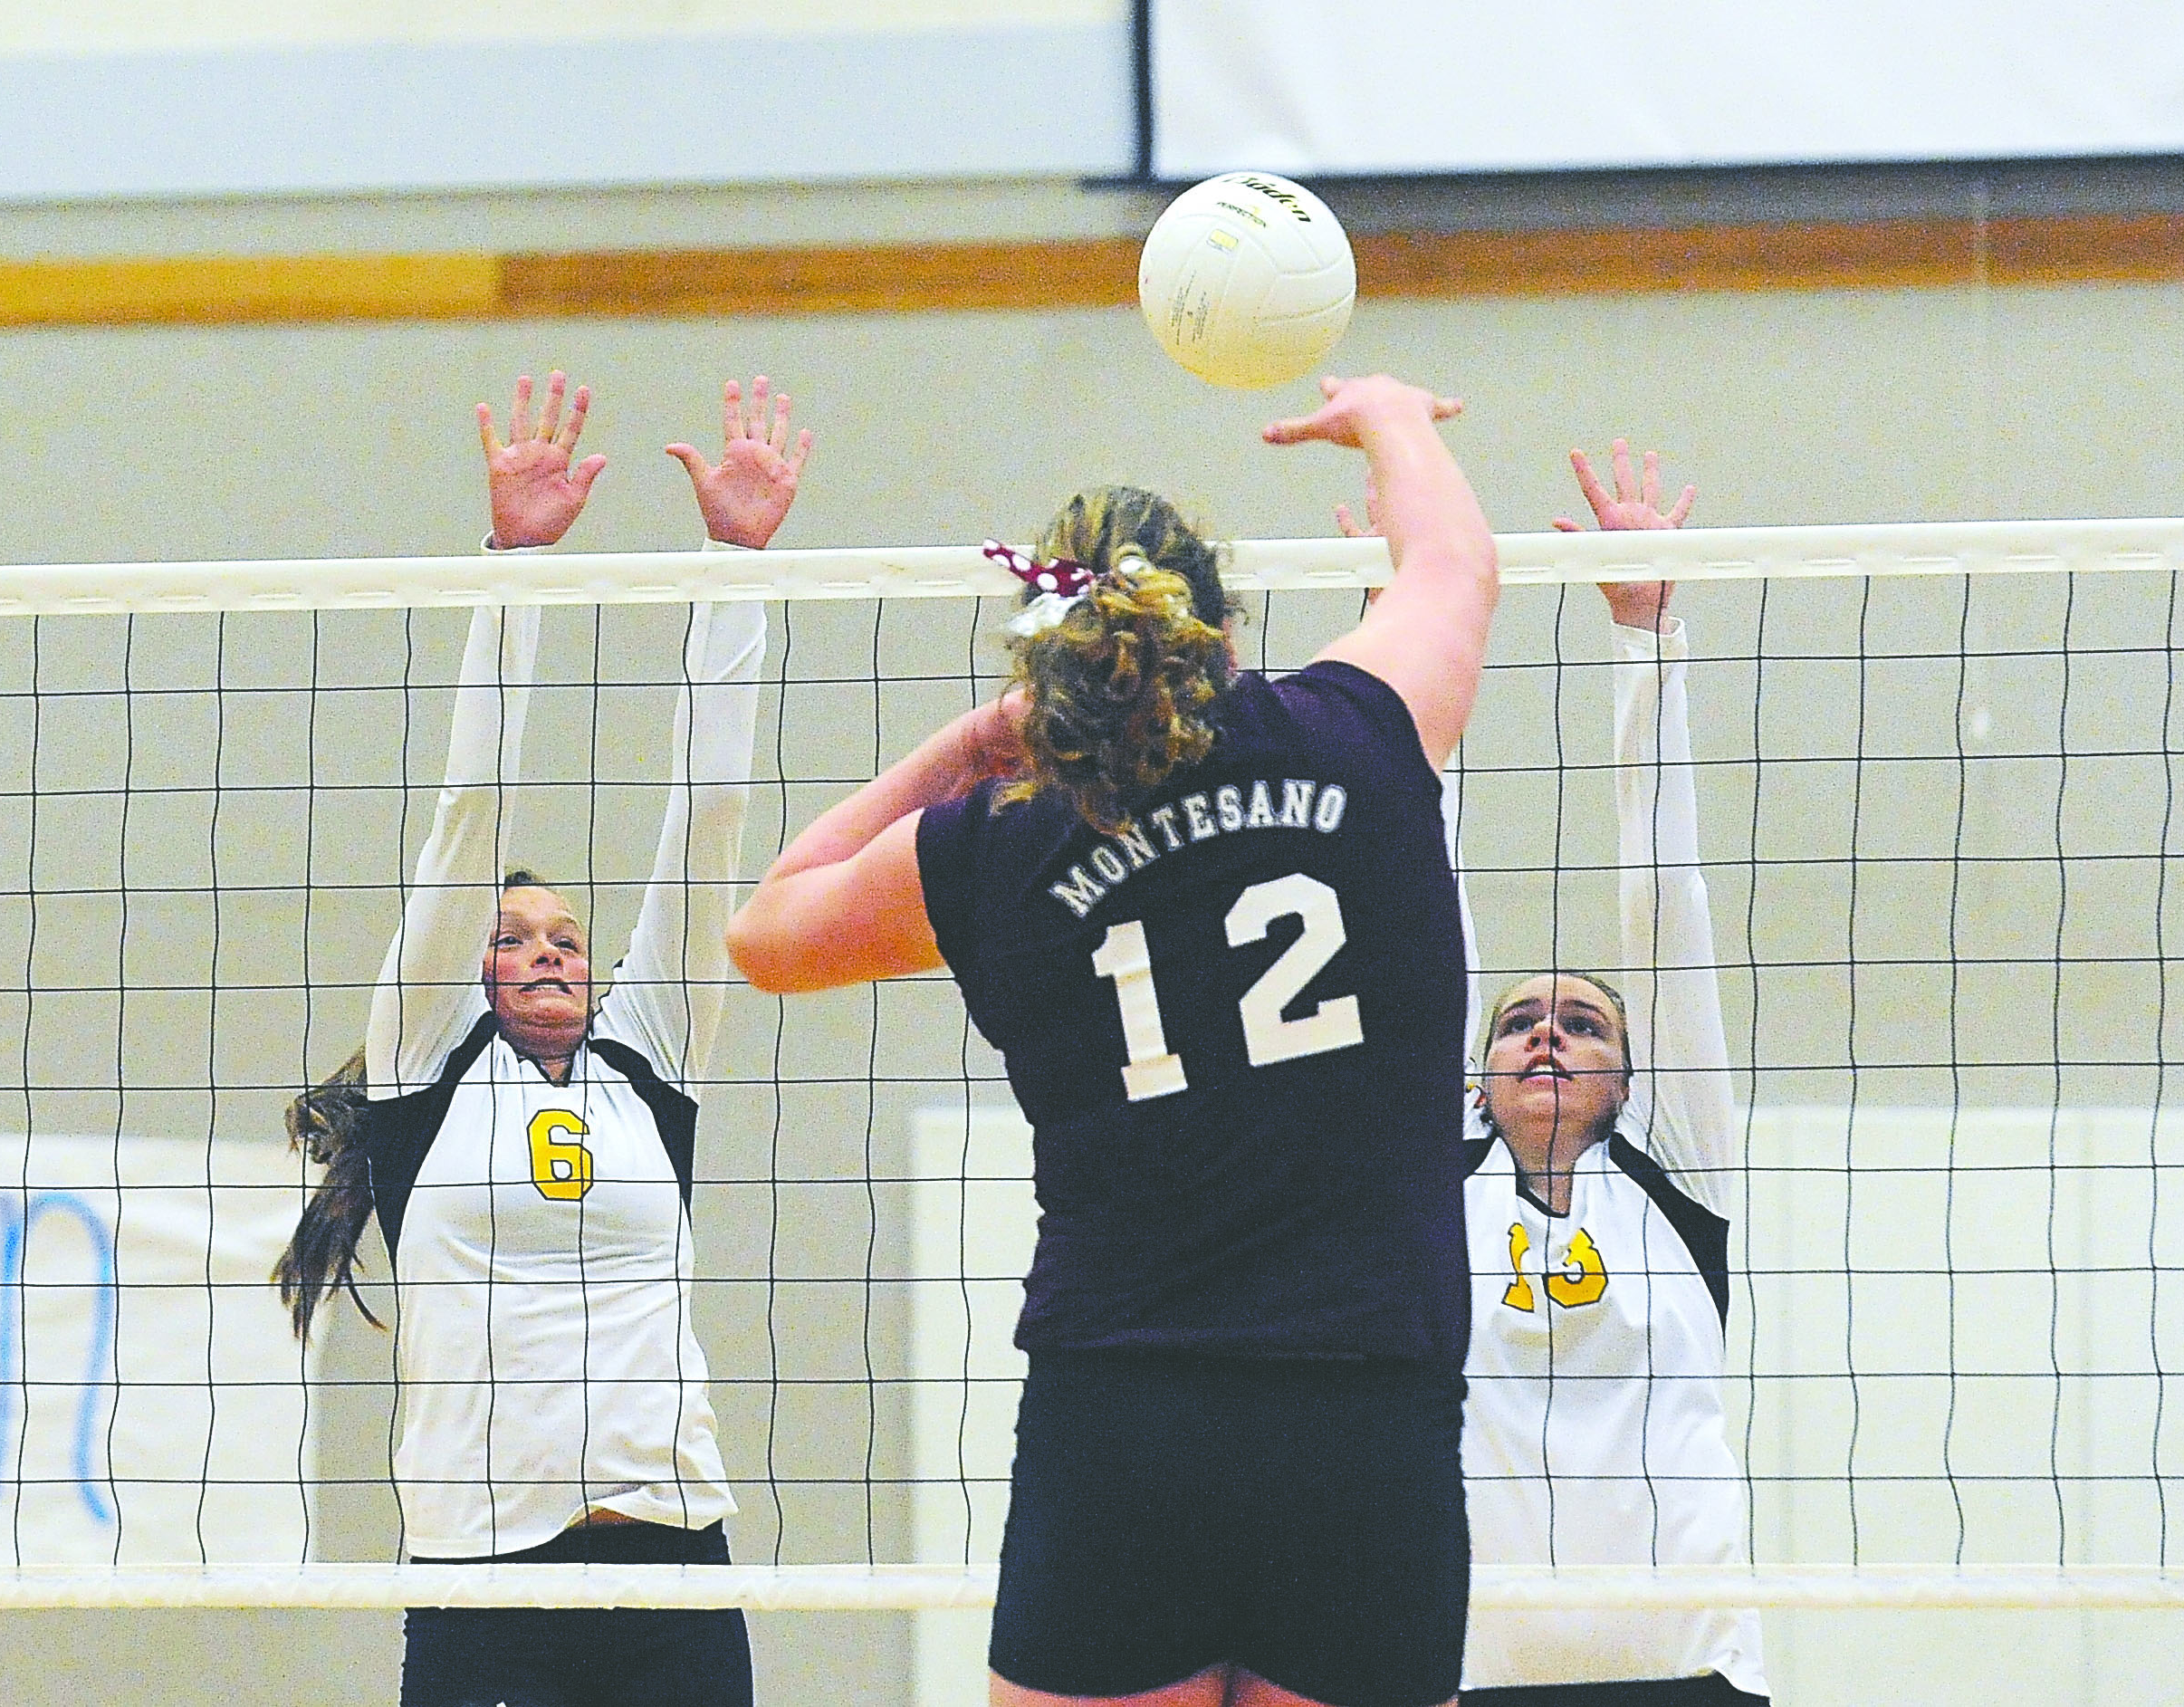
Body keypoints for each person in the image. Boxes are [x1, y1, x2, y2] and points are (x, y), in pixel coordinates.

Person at [727, 374, 1498, 1707]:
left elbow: (765, 934)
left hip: (1125, 1413)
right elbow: (1452, 558)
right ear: (1224, 625)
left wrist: (962, 754)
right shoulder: (1360, 726)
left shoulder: (994, 848)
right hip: (1364, 1406)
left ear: (1043, 661)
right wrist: (1388, 418)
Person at [274, 370, 811, 1707]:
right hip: (485, 1585)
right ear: (465, 968)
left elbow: (711, 820)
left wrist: (732, 569)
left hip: (673, 1567)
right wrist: (516, 567)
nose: (549, 947)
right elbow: (473, 808)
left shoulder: (649, 1058)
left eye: (565, 932)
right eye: (512, 936)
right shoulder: (422, 1072)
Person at [1445, 443, 1769, 1706]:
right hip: (1467, 1675)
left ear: (1633, 1079)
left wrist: (1647, 640)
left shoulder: (1677, 1178)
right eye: (1520, 1021)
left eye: (1582, 1023)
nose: (1544, 1033)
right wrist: (1407, 691)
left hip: (1686, 1675)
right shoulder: (1429, 1183)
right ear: (1472, 1082)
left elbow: (1665, 910)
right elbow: (1421, 913)